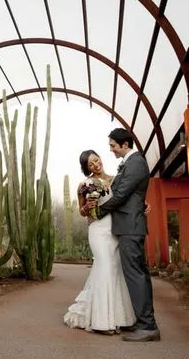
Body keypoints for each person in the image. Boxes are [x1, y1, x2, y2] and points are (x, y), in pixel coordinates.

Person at [92, 128, 160, 342]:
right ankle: (144, 322)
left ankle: (148, 326)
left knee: (135, 275)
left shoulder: (136, 163)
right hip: (128, 226)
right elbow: (122, 192)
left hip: (131, 227)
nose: (110, 150)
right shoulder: (129, 164)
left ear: (125, 144)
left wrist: (100, 211)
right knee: (138, 274)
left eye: (113, 145)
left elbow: (121, 194)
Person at [63, 149, 136, 334]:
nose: (96, 165)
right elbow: (81, 211)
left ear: (100, 158)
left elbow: (125, 200)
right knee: (104, 268)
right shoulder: (84, 185)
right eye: (90, 164)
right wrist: (88, 206)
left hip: (115, 230)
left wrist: (142, 207)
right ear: (87, 169)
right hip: (97, 230)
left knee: (115, 270)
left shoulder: (115, 179)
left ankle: (120, 318)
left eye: (96, 160)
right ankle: (101, 322)